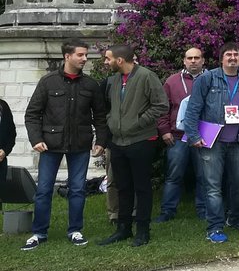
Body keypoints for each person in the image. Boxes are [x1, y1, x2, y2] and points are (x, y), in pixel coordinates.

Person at [21, 41, 108, 250]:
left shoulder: (90, 85)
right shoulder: (48, 82)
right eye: (80, 55)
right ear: (67, 56)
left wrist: (101, 141)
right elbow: (32, 114)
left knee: (77, 189)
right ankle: (39, 232)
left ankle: (75, 230)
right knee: (43, 190)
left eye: (85, 55)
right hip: (50, 145)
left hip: (80, 144)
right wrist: (36, 139)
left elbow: (101, 117)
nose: (85, 58)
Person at [184, 42, 239, 244]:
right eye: (228, 55)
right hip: (212, 141)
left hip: (238, 141)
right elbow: (193, 109)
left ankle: (236, 218)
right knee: (213, 187)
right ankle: (215, 227)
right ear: (221, 58)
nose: (232, 58)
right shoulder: (208, 78)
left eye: (235, 55)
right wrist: (194, 136)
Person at [97, 44, 167, 247]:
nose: (106, 62)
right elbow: (110, 108)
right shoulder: (113, 80)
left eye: (108, 59)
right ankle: (123, 228)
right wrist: (112, 123)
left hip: (141, 141)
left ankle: (143, 231)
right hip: (118, 142)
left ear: (120, 60)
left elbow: (161, 104)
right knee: (122, 186)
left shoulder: (146, 76)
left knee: (142, 187)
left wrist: (138, 121)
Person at [155, 47, 207, 223]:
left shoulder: (211, 79)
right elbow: (163, 108)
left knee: (203, 175)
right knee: (174, 175)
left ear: (203, 60)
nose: (193, 61)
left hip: (203, 135)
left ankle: (204, 209)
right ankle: (167, 211)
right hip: (178, 136)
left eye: (197, 58)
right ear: (184, 61)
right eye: (189, 58)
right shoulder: (172, 81)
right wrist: (164, 130)